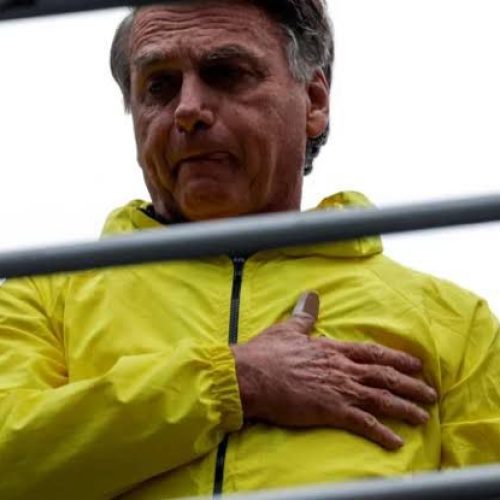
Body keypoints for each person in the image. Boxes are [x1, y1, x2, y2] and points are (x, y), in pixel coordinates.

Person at [1, 1, 499, 498]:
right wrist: (235, 380)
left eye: (227, 74)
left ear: (314, 102)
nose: (188, 108)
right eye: (159, 86)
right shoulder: (41, 296)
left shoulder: (456, 324)